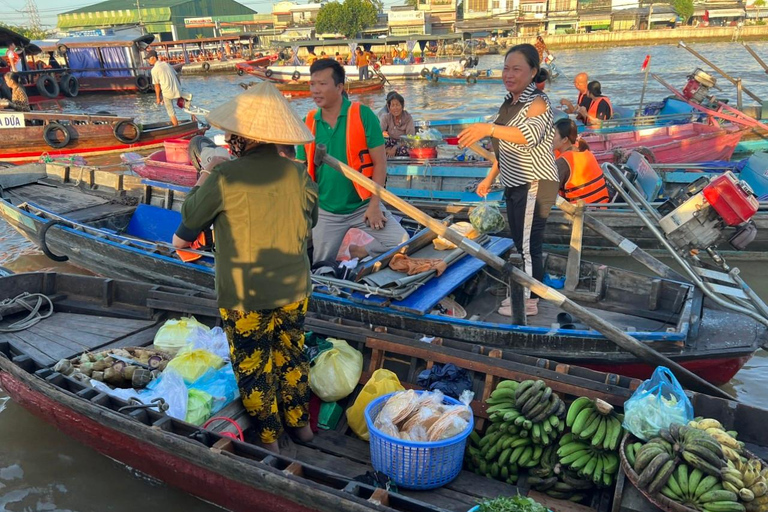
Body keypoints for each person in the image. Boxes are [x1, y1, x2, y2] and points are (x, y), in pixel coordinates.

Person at [172, 81, 318, 454]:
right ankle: (302, 427)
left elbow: (184, 232)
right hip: (294, 288)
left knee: (255, 365)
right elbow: (311, 221)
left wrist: (208, 170)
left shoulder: (223, 177)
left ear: (241, 138)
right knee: (292, 354)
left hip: (245, 293)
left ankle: (270, 438)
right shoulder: (299, 175)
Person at [458, 44, 560, 318]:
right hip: (515, 184)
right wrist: (490, 178)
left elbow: (528, 136)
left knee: (528, 246)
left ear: (533, 72)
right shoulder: (510, 103)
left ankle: (528, 299)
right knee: (520, 242)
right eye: (506, 68)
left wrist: (488, 128)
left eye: (517, 69)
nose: (509, 74)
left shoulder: (538, 102)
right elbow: (503, 147)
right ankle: (529, 292)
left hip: (534, 183)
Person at [296, 59, 408, 262]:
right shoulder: (309, 122)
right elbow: (301, 170)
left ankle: (363, 251)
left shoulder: (362, 115)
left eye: (322, 84)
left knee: (402, 242)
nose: (316, 90)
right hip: (327, 210)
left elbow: (380, 163)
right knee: (321, 263)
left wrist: (375, 204)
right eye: (312, 84)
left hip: (363, 206)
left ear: (339, 87)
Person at [552, 118, 609, 204]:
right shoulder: (585, 150)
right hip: (602, 206)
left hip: (583, 213)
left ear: (564, 140)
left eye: (553, 135)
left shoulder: (563, 162)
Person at [147, 50, 181, 126]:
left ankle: (176, 127)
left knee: (170, 111)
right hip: (177, 89)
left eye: (148, 59)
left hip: (167, 93)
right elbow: (177, 76)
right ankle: (193, 119)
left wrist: (158, 98)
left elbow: (157, 86)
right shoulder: (166, 64)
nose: (148, 61)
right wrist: (179, 87)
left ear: (153, 58)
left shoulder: (154, 70)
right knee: (185, 106)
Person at [380, 92, 415, 158]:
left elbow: (410, 138)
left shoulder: (408, 118)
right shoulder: (386, 117)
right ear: (389, 107)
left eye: (397, 105)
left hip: (403, 143)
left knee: (405, 151)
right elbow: (378, 133)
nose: (395, 108)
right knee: (375, 148)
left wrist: (395, 148)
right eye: (392, 105)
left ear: (402, 106)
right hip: (391, 142)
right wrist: (386, 150)